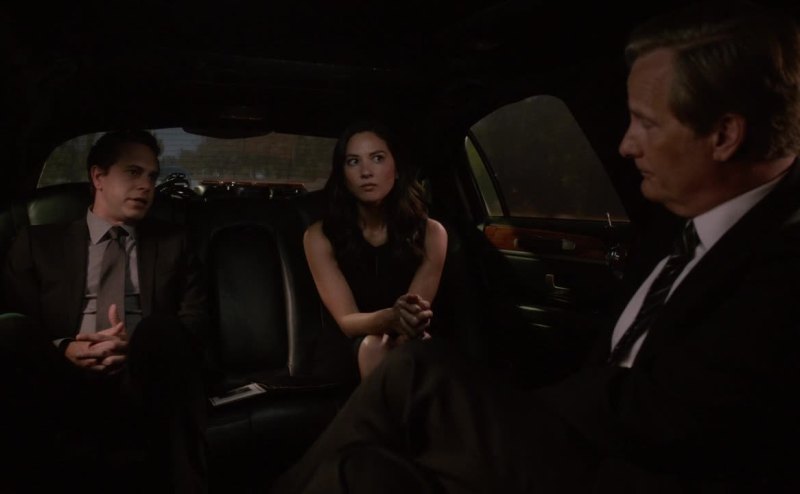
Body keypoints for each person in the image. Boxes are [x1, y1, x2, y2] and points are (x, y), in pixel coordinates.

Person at [270, 2, 800, 492]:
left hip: (623, 470)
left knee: (411, 370)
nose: (625, 145)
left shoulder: (781, 260)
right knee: (358, 471)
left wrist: (513, 407)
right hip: (578, 439)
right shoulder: (675, 230)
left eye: (646, 123)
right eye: (354, 161)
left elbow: (671, 415)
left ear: (724, 136)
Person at [0, 130, 210, 493]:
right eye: (133, 172)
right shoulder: (38, 243)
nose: (146, 186)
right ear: (98, 176)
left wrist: (136, 346)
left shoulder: (173, 243)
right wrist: (63, 347)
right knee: (8, 330)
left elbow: (194, 322)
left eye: (152, 176)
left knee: (162, 331)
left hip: (144, 375)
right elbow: (18, 318)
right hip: (59, 373)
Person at [304, 120, 448, 379]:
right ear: (342, 174)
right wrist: (390, 318)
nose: (366, 171)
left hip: (405, 342)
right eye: (353, 162)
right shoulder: (319, 236)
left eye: (377, 158)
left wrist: (402, 325)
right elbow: (347, 322)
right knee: (375, 346)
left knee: (417, 347)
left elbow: (413, 316)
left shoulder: (432, 233)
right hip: (347, 347)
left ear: (397, 168)